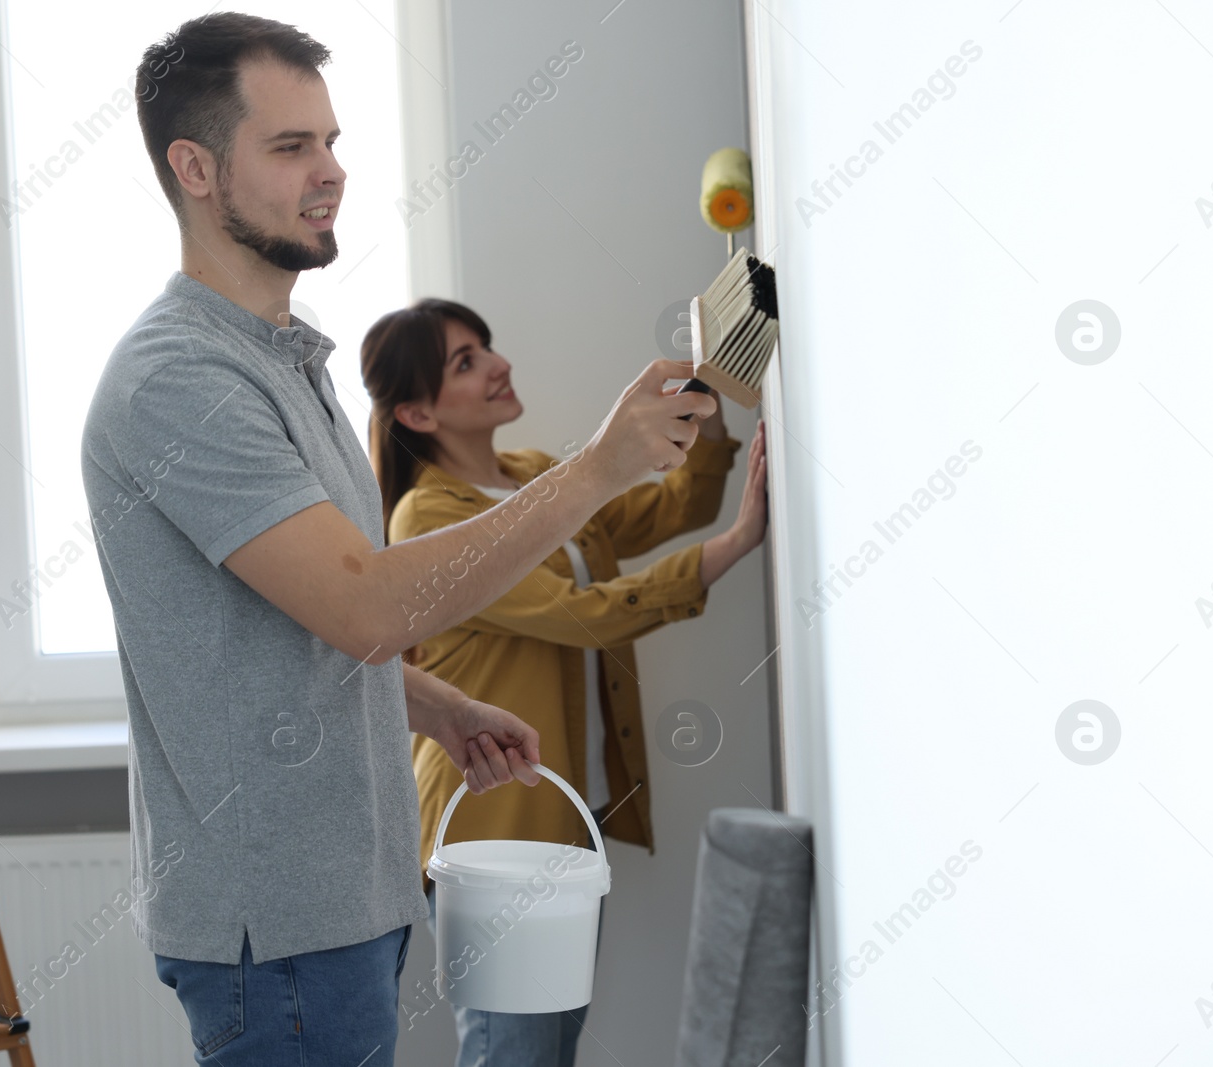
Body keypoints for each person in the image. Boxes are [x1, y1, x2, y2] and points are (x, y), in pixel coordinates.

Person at [78, 12, 720, 1067]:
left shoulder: (284, 359)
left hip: (348, 894)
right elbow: (371, 605)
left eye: (330, 141)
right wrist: (598, 465)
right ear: (194, 167)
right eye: (290, 148)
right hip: (278, 918)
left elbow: (310, 617)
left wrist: (435, 704)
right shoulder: (180, 380)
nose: (329, 172)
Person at [361, 299, 768, 1066]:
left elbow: (672, 503)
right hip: (491, 835)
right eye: (465, 361)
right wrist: (738, 543)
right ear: (416, 411)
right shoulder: (426, 519)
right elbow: (589, 615)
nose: (496, 363)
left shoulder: (533, 475)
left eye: (487, 346)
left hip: (562, 823)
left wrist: (704, 394)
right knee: (513, 1052)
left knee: (547, 1053)